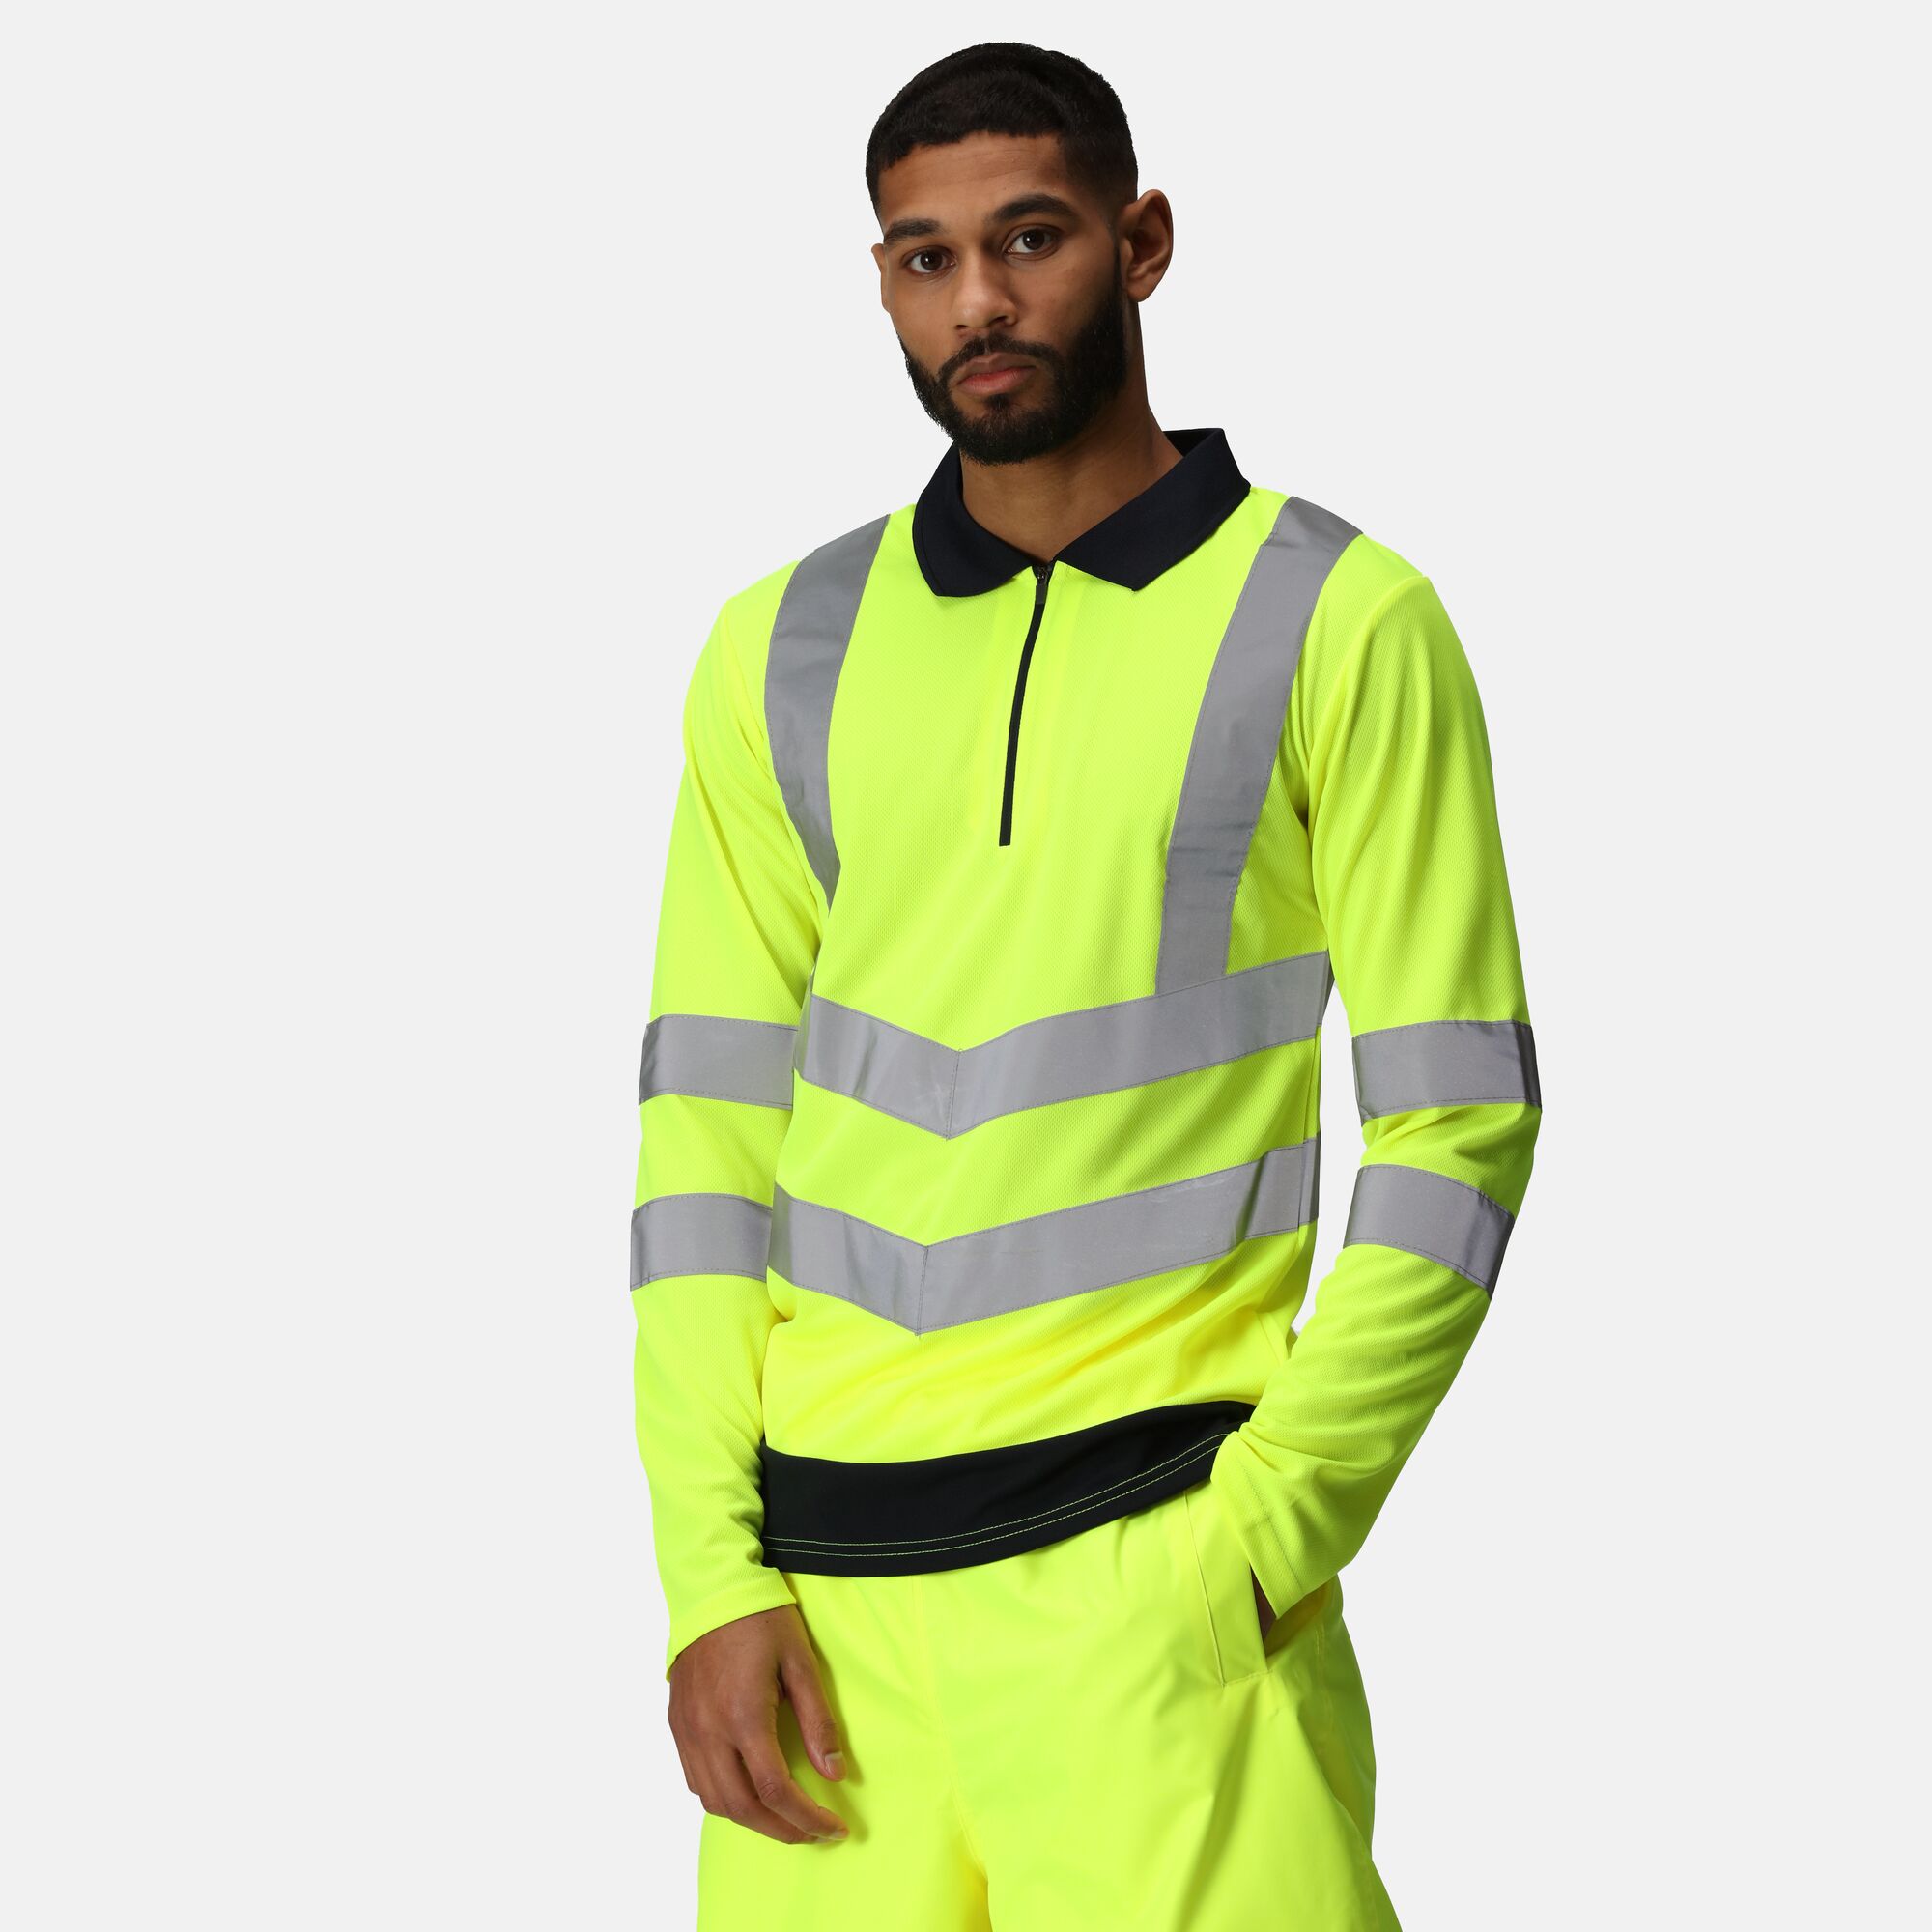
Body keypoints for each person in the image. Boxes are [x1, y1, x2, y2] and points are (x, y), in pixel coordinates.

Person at [629, 40, 1542, 1931]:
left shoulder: (1338, 618)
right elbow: (703, 1146)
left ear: (1141, 243)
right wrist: (711, 1577)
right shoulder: (778, 647)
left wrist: (1273, 1528)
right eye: (924, 257)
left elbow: (1461, 1120)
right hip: (829, 1624)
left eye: (1028, 238)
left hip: (1158, 1585)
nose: (976, 299)